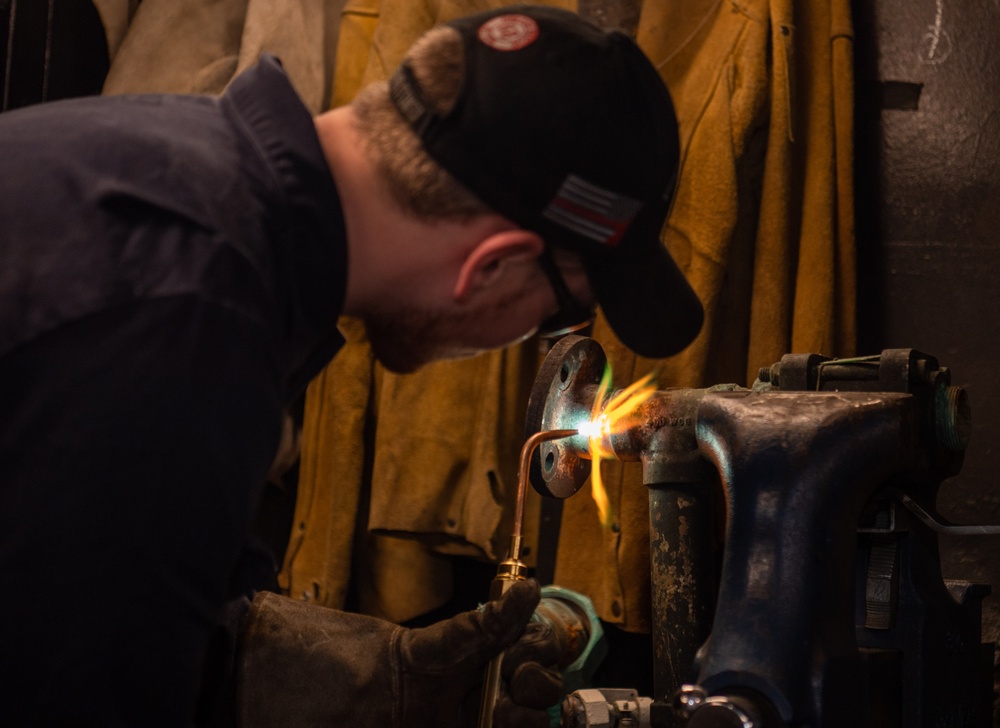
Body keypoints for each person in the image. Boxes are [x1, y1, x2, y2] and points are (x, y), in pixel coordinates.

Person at [0, 5, 702, 727]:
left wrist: (361, 680)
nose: (536, 336)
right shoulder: (193, 315)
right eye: (557, 314)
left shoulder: (186, 175)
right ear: (491, 266)